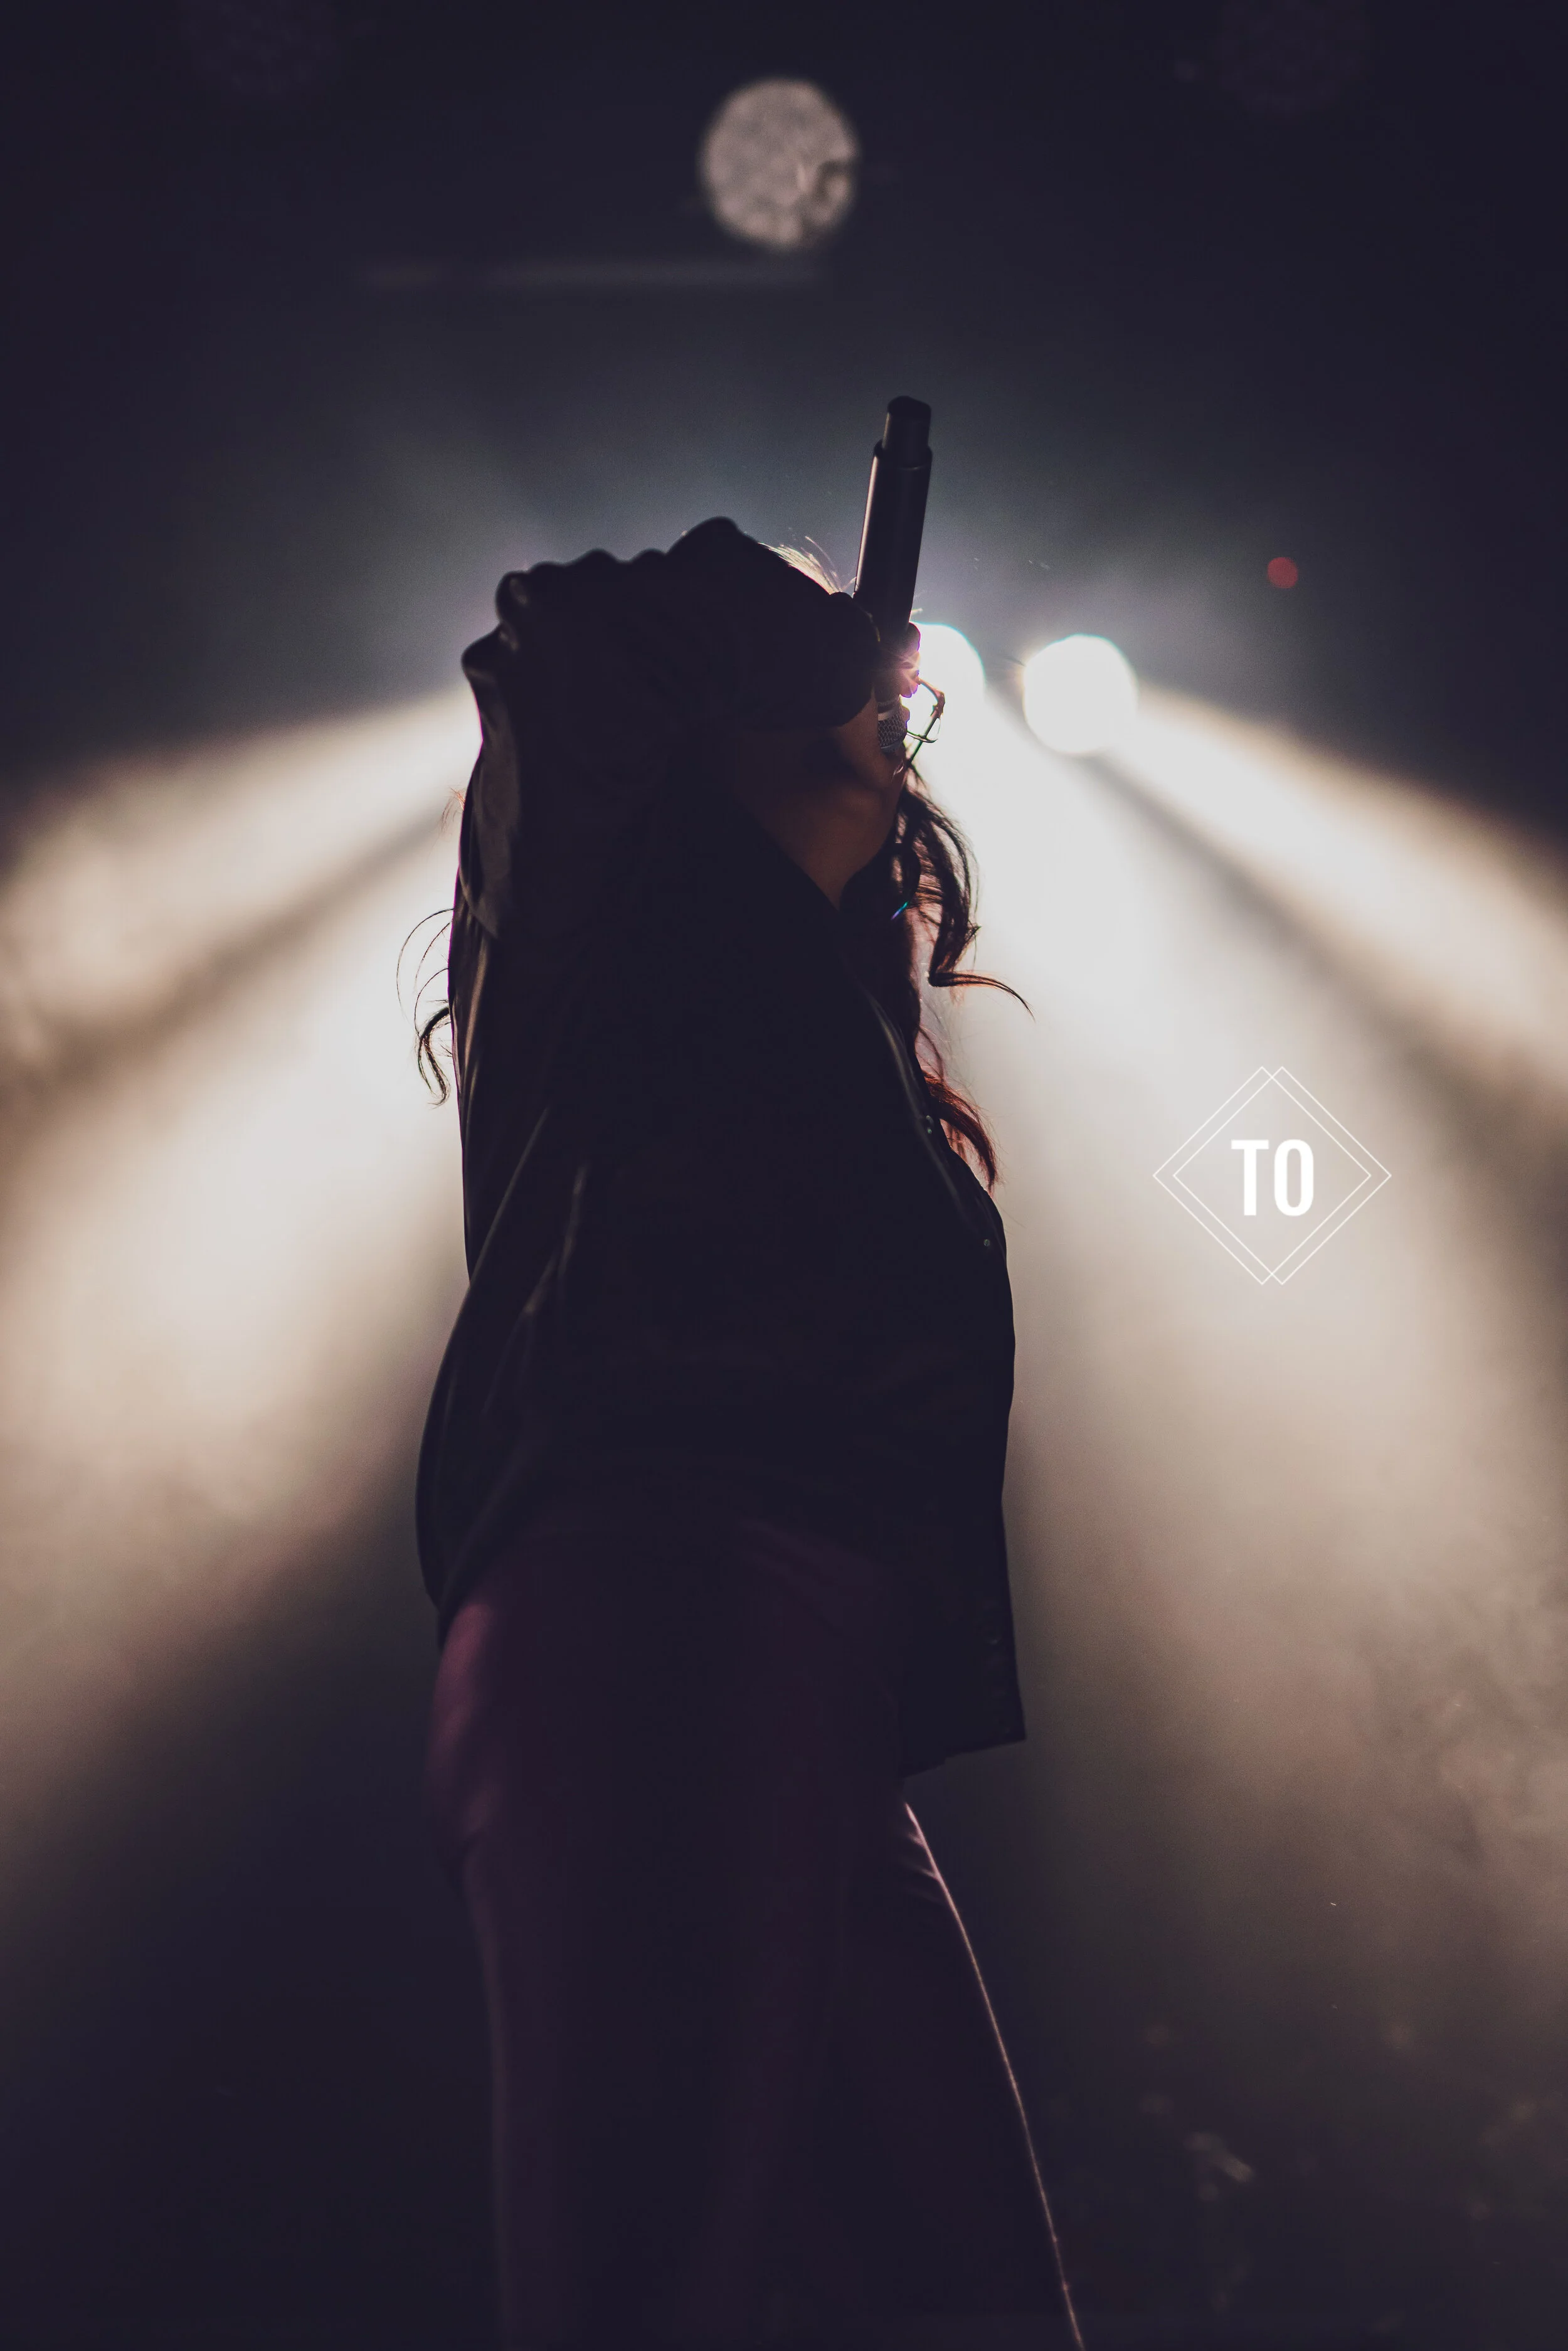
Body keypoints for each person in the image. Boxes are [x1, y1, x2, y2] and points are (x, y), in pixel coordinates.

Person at [416, 518, 1078, 2350]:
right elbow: (569, 637)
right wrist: (832, 629)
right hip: (659, 1615)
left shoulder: (838, 1026)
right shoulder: (599, 943)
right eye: (825, 693)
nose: (887, 712)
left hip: (793, 1684)